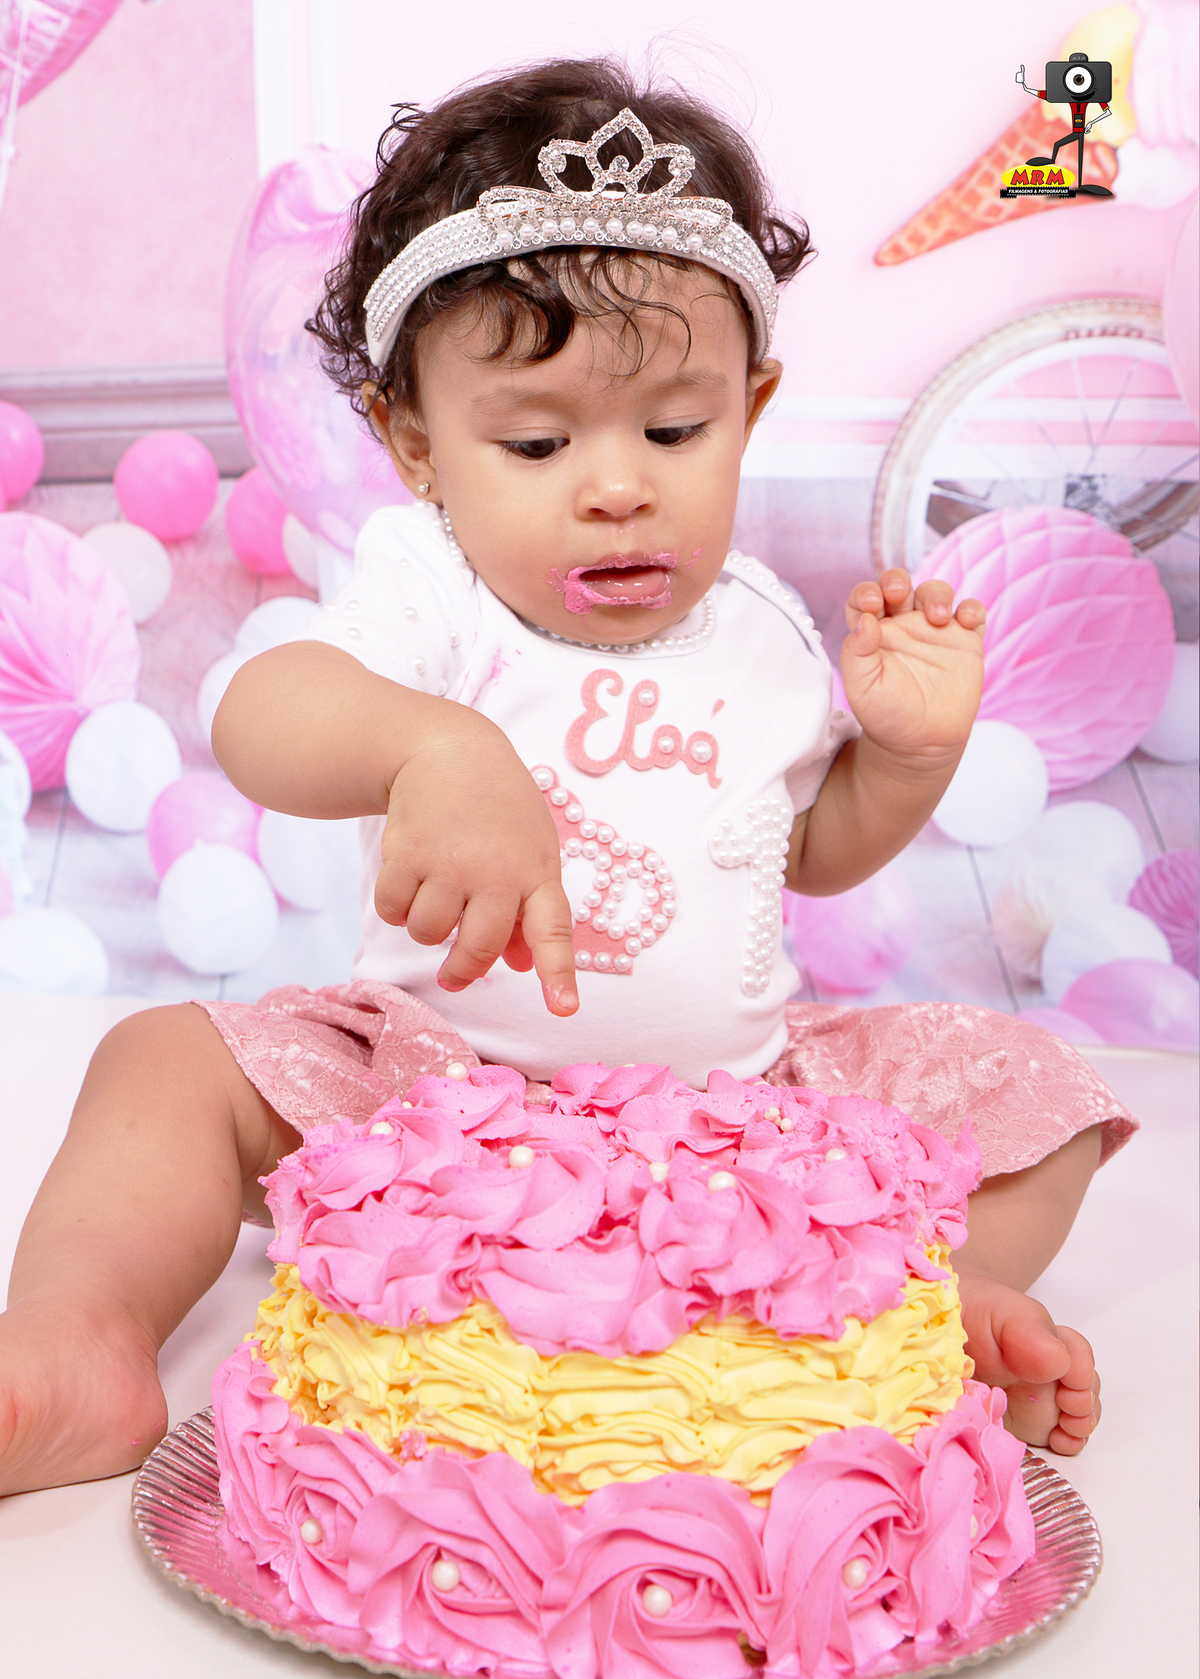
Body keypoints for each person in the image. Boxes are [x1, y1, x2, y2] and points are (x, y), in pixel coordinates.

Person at [0, 58, 1133, 1498]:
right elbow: (259, 719)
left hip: (732, 1135)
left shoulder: (763, 632)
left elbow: (808, 850)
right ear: (416, 444)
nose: (617, 485)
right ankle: (82, 1339)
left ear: (753, 405)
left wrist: (906, 756)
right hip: (431, 1102)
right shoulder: (435, 593)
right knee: (162, 1064)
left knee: (1041, 1095)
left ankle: (894, 1310)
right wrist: (432, 743)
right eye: (535, 442)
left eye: (676, 429)